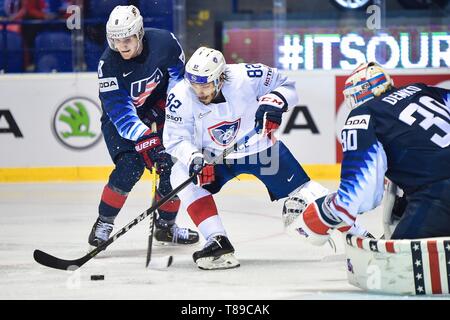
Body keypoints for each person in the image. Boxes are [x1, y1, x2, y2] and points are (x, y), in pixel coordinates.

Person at [163, 46, 328, 270]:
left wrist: (275, 102)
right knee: (180, 174)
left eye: (205, 85)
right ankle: (217, 241)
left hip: (260, 151)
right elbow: (175, 138)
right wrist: (194, 158)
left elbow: (286, 84)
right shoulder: (181, 94)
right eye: (195, 84)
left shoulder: (247, 76)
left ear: (220, 77)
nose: (199, 91)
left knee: (306, 193)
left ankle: (353, 231)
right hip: (215, 158)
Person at [283, 61, 450, 244]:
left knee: (397, 267)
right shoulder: (422, 90)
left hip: (439, 194)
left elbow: (362, 192)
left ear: (360, 91)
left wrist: (325, 212)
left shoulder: (364, 114)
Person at [88, 5, 199, 248]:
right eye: (116, 40)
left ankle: (166, 227)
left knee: (172, 167)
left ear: (139, 34)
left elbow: (179, 82)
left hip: (158, 110)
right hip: (120, 122)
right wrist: (148, 140)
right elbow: (122, 116)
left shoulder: (165, 42)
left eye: (127, 39)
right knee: (130, 167)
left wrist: (170, 112)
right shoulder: (108, 65)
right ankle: (104, 222)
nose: (122, 46)